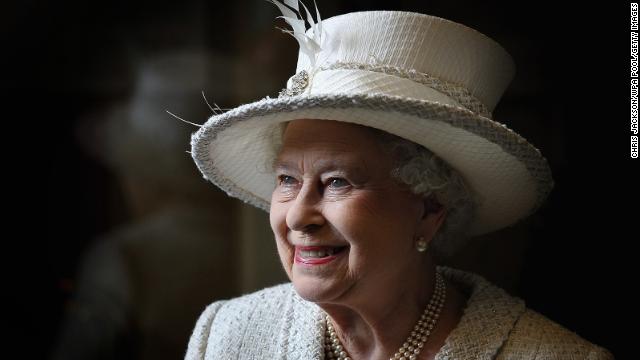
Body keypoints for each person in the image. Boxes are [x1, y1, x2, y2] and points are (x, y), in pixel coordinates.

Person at [184, 2, 613, 359]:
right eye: (287, 179)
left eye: (336, 182)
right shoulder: (226, 338)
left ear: (429, 208)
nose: (297, 216)